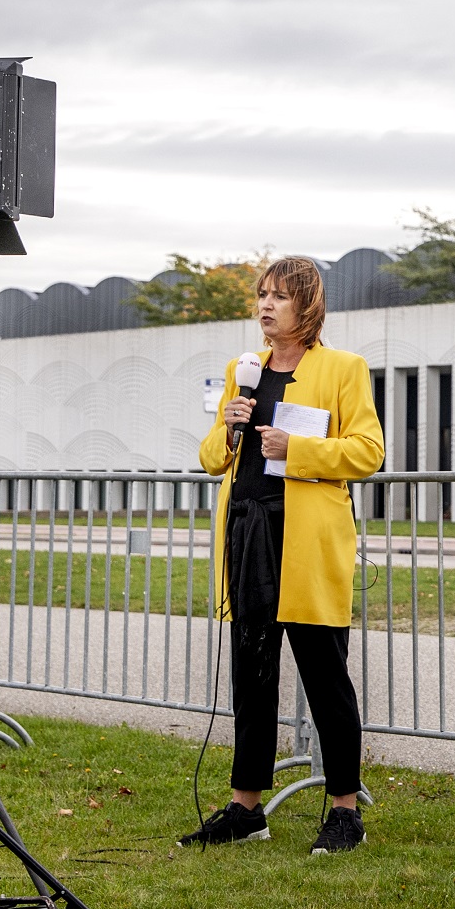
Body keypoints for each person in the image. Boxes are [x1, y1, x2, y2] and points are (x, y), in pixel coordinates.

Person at [180, 256, 385, 855]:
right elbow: (211, 458)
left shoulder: (344, 369)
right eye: (262, 294)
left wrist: (297, 448)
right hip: (247, 535)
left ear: (308, 305)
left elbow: (367, 451)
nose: (266, 305)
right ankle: (246, 810)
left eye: (280, 296)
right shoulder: (242, 370)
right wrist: (230, 426)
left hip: (305, 543)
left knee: (325, 678)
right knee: (251, 679)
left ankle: (345, 812)